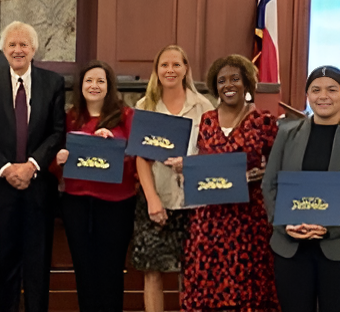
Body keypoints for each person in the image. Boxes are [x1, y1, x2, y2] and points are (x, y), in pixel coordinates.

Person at [0, 21, 65, 312]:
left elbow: (57, 131)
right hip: (1, 188)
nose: (18, 50)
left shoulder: (52, 83)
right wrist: (6, 168)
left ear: (34, 49)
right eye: (12, 45)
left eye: (23, 44)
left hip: (38, 189)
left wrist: (31, 165)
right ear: (3, 49)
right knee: (2, 266)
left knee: (38, 267)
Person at [181, 54, 279, 312]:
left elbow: (277, 166)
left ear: (246, 83)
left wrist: (261, 173)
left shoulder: (264, 121)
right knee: (208, 291)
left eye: (235, 79)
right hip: (209, 221)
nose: (229, 85)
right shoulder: (207, 120)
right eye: (222, 80)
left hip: (247, 221)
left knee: (246, 290)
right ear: (216, 86)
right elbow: (201, 161)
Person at [130, 45, 214, 312]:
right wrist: (153, 200)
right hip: (157, 199)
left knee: (191, 273)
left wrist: (188, 164)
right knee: (153, 271)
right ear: (157, 70)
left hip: (194, 201)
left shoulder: (204, 107)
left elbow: (213, 153)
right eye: (164, 65)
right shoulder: (146, 106)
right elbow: (140, 157)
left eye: (176, 64)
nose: (170, 70)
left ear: (186, 68)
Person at [53, 60, 136, 312]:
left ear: (109, 86)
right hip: (76, 203)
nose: (94, 85)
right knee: (84, 270)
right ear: (81, 86)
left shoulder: (125, 116)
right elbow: (55, 164)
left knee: (111, 272)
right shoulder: (71, 117)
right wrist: (58, 160)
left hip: (116, 205)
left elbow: (137, 159)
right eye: (89, 80)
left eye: (100, 81)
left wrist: (114, 147)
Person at [263, 65, 340, 312]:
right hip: (291, 248)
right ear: (307, 95)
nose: (323, 96)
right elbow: (270, 183)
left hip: (336, 248)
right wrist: (284, 224)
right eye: (315, 90)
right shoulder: (286, 133)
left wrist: (330, 228)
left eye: (332, 89)